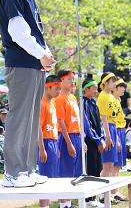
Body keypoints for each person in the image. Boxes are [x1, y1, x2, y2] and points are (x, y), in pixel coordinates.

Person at [0, 0, 56, 188]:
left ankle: (27, 169)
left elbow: (35, 31)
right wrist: (41, 54)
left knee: (33, 119)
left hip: (33, 64)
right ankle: (12, 172)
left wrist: (46, 54)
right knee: (19, 117)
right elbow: (18, 32)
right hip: (21, 64)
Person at [55, 69, 81, 208]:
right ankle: (63, 203)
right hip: (66, 137)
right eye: (69, 79)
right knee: (65, 171)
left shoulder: (73, 98)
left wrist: (80, 139)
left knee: (74, 170)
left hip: (76, 135)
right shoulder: (59, 99)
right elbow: (61, 122)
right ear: (61, 81)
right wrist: (69, 143)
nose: (72, 81)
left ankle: (69, 203)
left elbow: (76, 120)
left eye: (73, 78)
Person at [38, 75, 62, 208]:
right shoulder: (42, 104)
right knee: (45, 177)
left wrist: (56, 146)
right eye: (56, 88)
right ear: (47, 88)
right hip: (45, 142)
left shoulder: (52, 103)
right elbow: (38, 127)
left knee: (52, 176)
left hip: (53, 142)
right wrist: (42, 148)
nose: (59, 91)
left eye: (60, 88)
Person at [97, 72, 120, 205]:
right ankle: (103, 195)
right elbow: (103, 118)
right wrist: (108, 136)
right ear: (105, 82)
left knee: (111, 165)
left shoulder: (111, 96)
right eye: (112, 81)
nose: (115, 83)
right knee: (106, 166)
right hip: (107, 129)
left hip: (112, 128)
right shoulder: (103, 96)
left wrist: (115, 137)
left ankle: (109, 194)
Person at [81, 78, 106, 207]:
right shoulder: (83, 103)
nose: (96, 91)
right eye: (94, 88)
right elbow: (87, 124)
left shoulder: (94, 103)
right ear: (87, 89)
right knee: (90, 169)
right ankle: (87, 198)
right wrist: (97, 140)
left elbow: (99, 122)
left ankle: (94, 198)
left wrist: (102, 138)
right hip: (90, 142)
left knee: (98, 168)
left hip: (98, 142)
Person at [112, 78, 129, 202]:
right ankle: (113, 192)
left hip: (121, 130)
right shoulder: (111, 100)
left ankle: (116, 191)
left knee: (118, 166)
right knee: (114, 165)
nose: (123, 89)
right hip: (116, 131)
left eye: (124, 87)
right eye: (121, 86)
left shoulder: (118, 100)